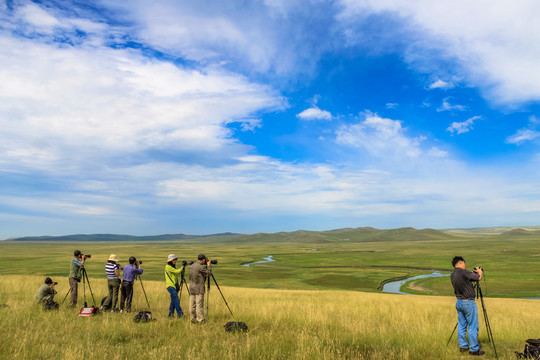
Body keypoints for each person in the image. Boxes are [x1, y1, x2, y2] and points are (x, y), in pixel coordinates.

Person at [451, 256, 484, 356]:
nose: (465, 265)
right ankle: (474, 349)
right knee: (473, 326)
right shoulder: (463, 272)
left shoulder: (453, 274)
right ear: (460, 263)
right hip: (468, 303)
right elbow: (478, 278)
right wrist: (479, 272)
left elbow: (466, 281)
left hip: (459, 302)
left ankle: (463, 346)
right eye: (464, 263)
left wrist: (472, 274)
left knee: (461, 326)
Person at [189, 254, 212, 324]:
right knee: (199, 305)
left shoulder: (191, 266)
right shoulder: (201, 267)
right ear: (203, 260)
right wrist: (209, 266)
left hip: (192, 288)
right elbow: (208, 274)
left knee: (192, 305)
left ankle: (192, 319)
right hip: (199, 289)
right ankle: (200, 320)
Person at [164, 254, 185, 318]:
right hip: (171, 286)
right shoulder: (168, 267)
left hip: (174, 286)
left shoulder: (171, 266)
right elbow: (177, 272)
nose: (175, 261)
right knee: (176, 300)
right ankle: (180, 315)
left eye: (175, 260)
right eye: (174, 260)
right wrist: (182, 268)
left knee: (173, 301)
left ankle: (170, 315)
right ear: (170, 260)